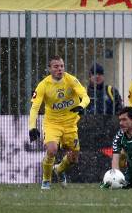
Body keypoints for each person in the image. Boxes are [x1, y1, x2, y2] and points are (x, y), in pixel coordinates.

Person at [28, 55, 90, 190]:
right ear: (49, 69)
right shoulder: (43, 85)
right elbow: (34, 108)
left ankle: (59, 170)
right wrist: (32, 127)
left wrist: (81, 106)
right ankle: (46, 181)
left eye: (61, 66)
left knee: (74, 158)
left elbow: (85, 96)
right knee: (52, 150)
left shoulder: (71, 80)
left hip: (70, 124)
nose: (60, 69)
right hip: (52, 124)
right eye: (56, 66)